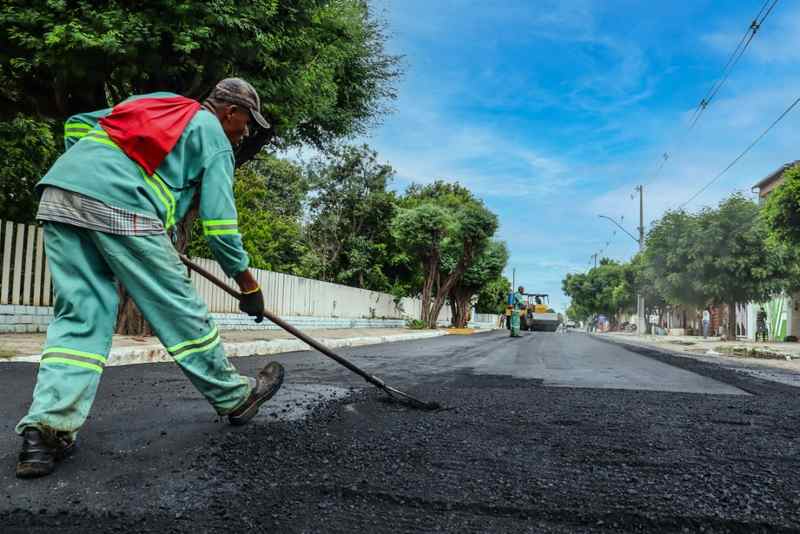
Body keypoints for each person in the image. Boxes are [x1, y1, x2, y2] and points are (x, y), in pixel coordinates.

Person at [15, 79, 286, 479]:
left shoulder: (157, 102)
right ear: (229, 111)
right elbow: (221, 228)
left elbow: (76, 125)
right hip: (124, 206)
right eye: (246, 122)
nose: (245, 132)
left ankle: (44, 432)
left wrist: (91, 179)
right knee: (178, 307)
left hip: (62, 194)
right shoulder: (214, 137)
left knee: (80, 319)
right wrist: (249, 286)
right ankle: (235, 397)